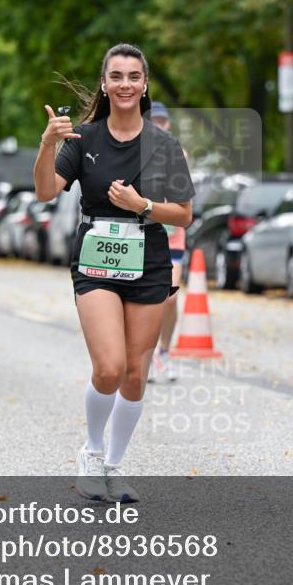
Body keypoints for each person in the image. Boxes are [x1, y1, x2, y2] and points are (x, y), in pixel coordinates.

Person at [34, 43, 195, 503]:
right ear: (104, 84)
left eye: (134, 76)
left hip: (149, 262)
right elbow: (45, 191)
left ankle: (113, 466)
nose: (125, 84)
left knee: (135, 376)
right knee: (109, 367)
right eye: (117, 76)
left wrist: (142, 205)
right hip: (95, 263)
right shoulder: (83, 138)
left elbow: (184, 214)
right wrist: (47, 144)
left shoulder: (164, 146)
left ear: (145, 85)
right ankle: (91, 451)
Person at [147, 101, 185, 382]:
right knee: (147, 298)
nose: (159, 125)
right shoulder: (135, 151)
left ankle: (165, 351)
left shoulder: (177, 152)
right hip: (144, 234)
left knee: (170, 298)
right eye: (155, 121)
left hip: (173, 236)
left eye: (163, 121)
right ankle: (145, 354)